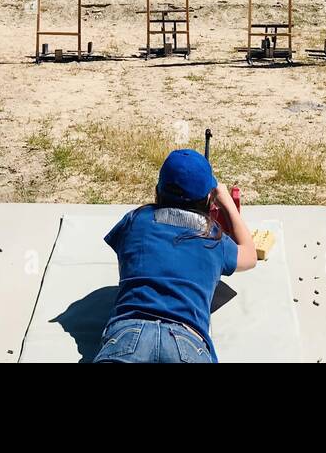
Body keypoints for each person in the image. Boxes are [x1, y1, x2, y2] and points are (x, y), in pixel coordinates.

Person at [95, 148, 256, 363]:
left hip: (127, 332)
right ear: (210, 199)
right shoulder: (212, 237)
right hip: (187, 338)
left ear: (157, 190)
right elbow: (250, 255)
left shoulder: (135, 220)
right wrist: (226, 201)